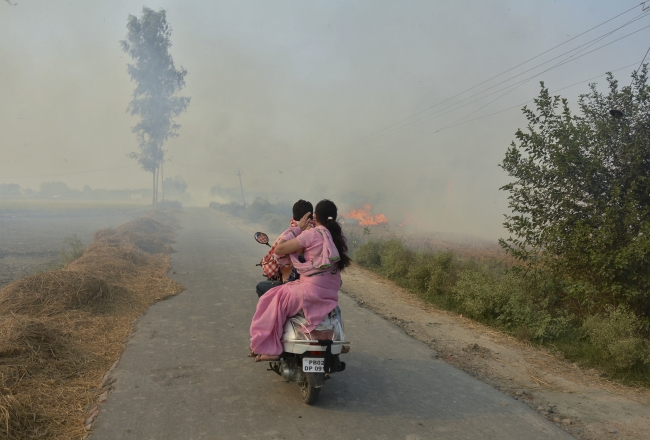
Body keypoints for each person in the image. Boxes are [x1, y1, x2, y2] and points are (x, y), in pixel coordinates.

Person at [249, 199, 351, 361]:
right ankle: (338, 339)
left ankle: (270, 349)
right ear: (334, 217)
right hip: (329, 293)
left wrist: (297, 229)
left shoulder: (310, 234)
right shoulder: (339, 238)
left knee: (270, 299)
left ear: (314, 217)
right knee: (336, 311)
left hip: (307, 291)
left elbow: (280, 249)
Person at [256, 199, 314, 298]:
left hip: (294, 283)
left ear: (294, 216)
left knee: (260, 287)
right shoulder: (319, 232)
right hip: (316, 284)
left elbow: (277, 252)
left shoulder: (292, 233)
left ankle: (272, 313)